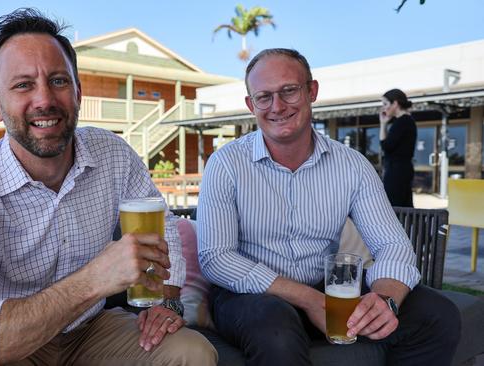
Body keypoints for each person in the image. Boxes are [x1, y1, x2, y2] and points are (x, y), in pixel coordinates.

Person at [0, 8, 216, 365]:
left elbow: (163, 225)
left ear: (78, 92)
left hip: (91, 331)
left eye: (58, 81)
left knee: (192, 353)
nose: (45, 99)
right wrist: (96, 279)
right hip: (15, 344)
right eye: (23, 84)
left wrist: (166, 302)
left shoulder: (113, 155)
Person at [197, 48, 460, 365]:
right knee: (275, 328)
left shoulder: (352, 165)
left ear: (312, 91)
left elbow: (392, 244)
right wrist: (310, 300)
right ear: (251, 105)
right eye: (263, 97)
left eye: (289, 90)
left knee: (437, 314)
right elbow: (216, 257)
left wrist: (386, 298)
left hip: (327, 285)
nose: (277, 106)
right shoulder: (226, 164)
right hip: (250, 297)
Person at [379, 88, 417, 207]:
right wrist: (384, 123)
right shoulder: (406, 121)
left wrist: (383, 124)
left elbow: (385, 146)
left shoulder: (402, 122)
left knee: (394, 209)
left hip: (397, 173)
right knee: (403, 209)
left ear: (395, 103)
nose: (384, 108)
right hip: (401, 170)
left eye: (386, 104)